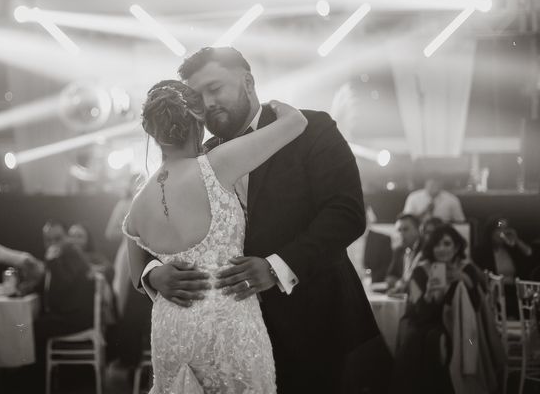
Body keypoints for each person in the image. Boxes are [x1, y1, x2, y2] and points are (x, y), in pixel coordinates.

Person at [133, 47, 379, 392]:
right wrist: (153, 274)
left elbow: (346, 213)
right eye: (197, 96)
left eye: (215, 88)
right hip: (224, 342)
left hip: (315, 324)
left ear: (247, 82)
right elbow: (145, 227)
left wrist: (277, 267)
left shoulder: (312, 129)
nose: (207, 102)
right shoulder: (198, 160)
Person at [124, 79, 306, 392]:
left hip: (171, 328)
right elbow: (296, 123)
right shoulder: (217, 165)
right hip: (228, 325)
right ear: (200, 122)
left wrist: (153, 277)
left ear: (151, 132)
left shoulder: (137, 206)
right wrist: (272, 105)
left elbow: (134, 275)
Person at [393, 224, 487, 394]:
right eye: (436, 244)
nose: (441, 249)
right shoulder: (420, 271)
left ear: (457, 246)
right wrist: (428, 294)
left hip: (459, 326)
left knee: (435, 338)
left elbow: (477, 307)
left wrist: (465, 280)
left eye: (447, 243)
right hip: (424, 320)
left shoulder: (467, 269)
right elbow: (417, 311)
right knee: (416, 337)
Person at [30, 220, 97, 389]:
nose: (52, 244)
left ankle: (37, 384)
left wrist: (52, 261)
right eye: (48, 240)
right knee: (30, 324)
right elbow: (46, 285)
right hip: (67, 315)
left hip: (77, 318)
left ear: (67, 238)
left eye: (57, 238)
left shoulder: (71, 252)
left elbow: (64, 285)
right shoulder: (61, 254)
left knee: (29, 328)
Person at [473, 216, 534, 318]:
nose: (503, 233)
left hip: (514, 291)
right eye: (499, 229)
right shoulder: (482, 252)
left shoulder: (510, 249)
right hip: (495, 293)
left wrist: (516, 240)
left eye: (505, 228)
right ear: (491, 232)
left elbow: (529, 254)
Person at [386, 214, 423, 293]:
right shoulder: (398, 251)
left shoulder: (425, 250)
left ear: (418, 230)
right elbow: (390, 277)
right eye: (399, 230)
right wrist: (399, 283)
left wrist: (404, 285)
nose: (401, 234)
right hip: (403, 295)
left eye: (405, 229)